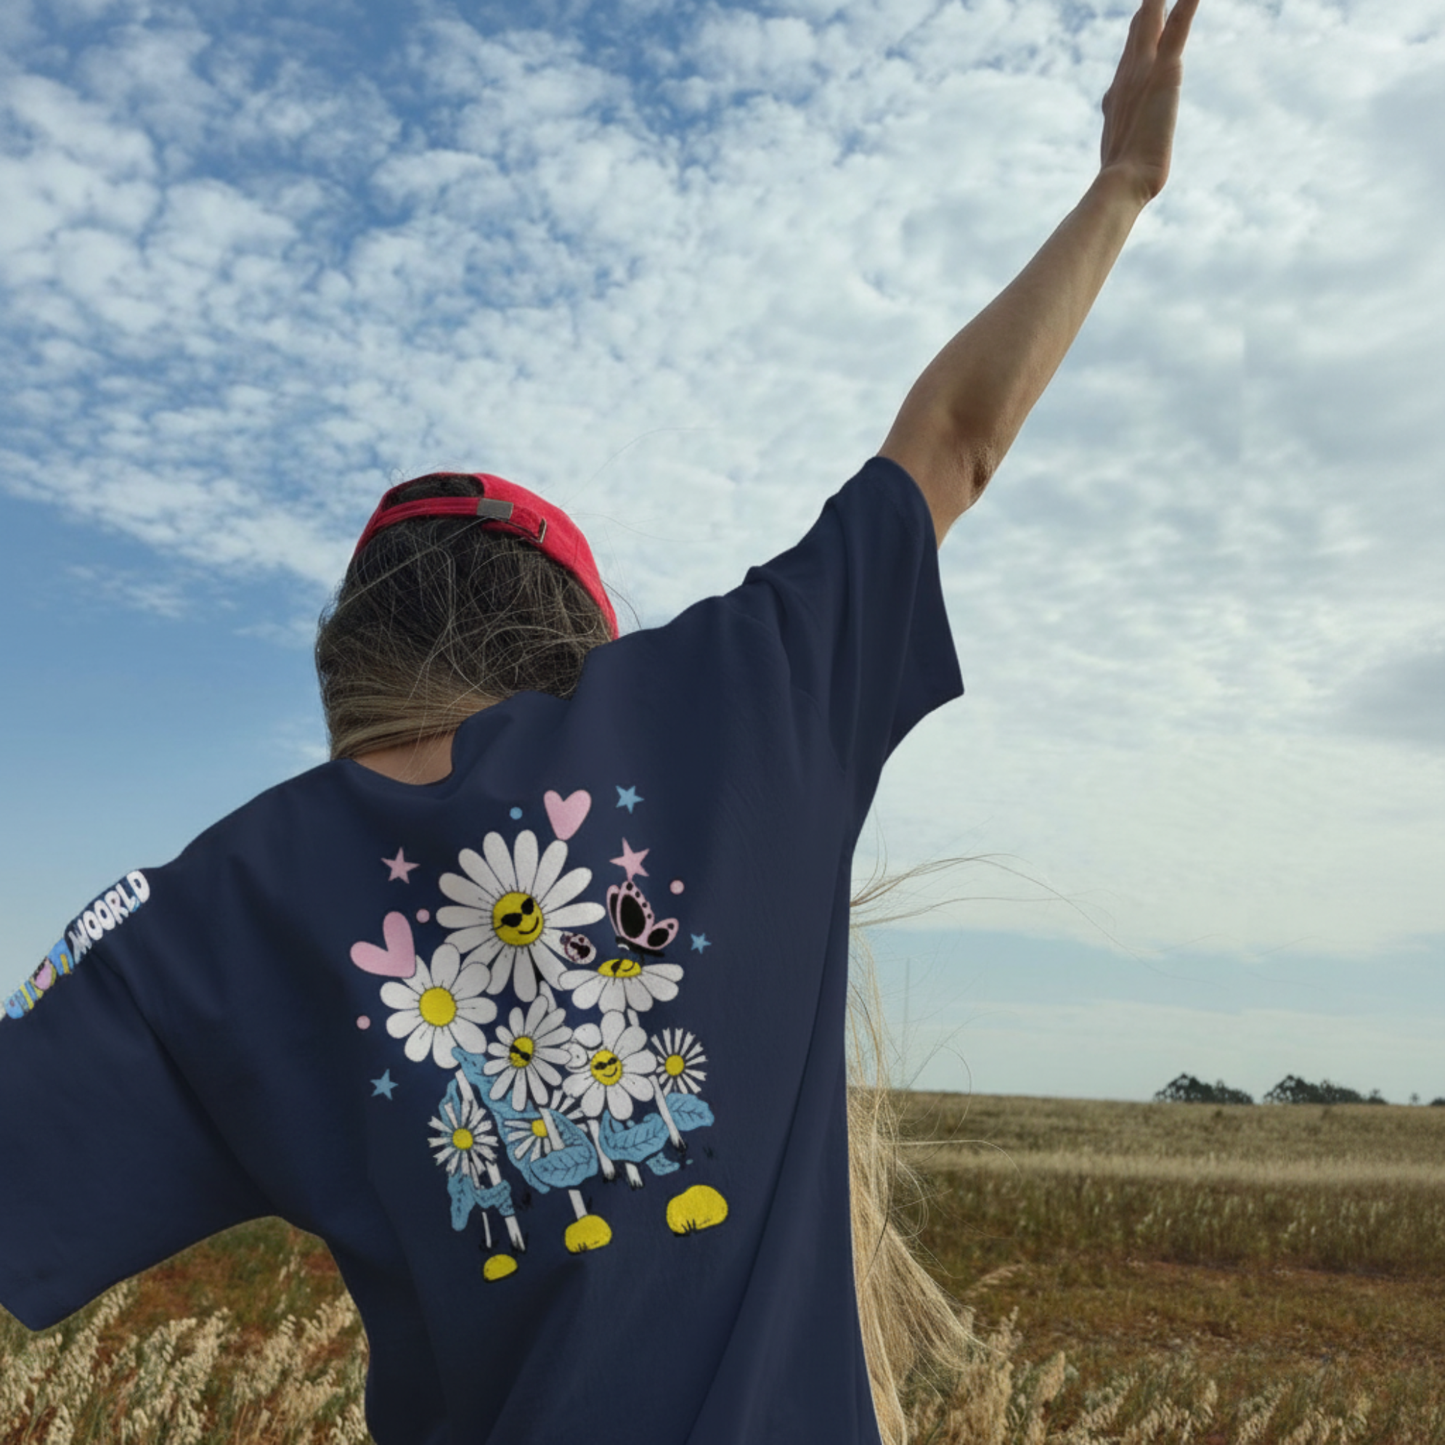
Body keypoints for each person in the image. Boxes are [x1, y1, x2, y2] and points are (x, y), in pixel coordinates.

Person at [0, 3, 1200, 1441]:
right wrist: (1120, 187)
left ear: (344, 672)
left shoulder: (221, 906)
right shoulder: (735, 696)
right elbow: (954, 439)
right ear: (579, 639)